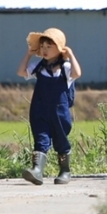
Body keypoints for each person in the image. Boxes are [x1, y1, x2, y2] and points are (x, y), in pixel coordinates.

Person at [17, 28, 82, 185]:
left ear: (59, 48)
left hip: (59, 112)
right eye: (42, 46)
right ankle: (37, 171)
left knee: (61, 140)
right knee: (41, 138)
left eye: (49, 46)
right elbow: (21, 72)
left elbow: (77, 73)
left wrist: (71, 55)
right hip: (39, 109)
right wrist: (29, 54)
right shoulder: (38, 67)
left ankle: (65, 171)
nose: (44, 50)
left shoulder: (65, 68)